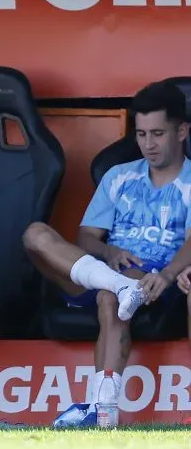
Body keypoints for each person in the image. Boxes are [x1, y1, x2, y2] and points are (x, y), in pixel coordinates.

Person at [25, 80, 191, 428]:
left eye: (157, 133)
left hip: (155, 281)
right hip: (101, 270)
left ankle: (103, 411)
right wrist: (108, 250)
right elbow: (86, 238)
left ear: (182, 131)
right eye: (142, 134)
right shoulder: (118, 176)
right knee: (35, 235)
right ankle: (117, 285)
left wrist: (167, 274)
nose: (147, 144)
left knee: (109, 296)